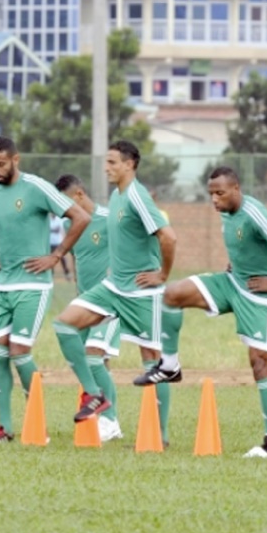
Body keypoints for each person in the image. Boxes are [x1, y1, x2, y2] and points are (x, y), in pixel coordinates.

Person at [51, 140, 182, 445]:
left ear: (129, 164)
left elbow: (169, 237)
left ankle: (159, 435)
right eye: (105, 162)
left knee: (154, 362)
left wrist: (162, 274)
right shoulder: (117, 195)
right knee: (64, 324)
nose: (106, 167)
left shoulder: (137, 196)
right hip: (112, 288)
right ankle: (96, 396)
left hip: (140, 292)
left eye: (112, 162)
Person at [162, 166, 267, 457]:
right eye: (211, 194)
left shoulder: (255, 212)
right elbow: (242, 244)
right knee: (172, 294)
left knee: (260, 365)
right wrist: (234, 264)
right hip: (231, 283)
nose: (214, 199)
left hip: (258, 296)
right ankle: (170, 365)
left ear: (236, 189)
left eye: (220, 193)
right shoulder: (226, 212)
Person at [0, 136, 91, 441]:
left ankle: (36, 422)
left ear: (16, 159)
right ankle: (5, 427)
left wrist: (56, 256)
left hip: (33, 285)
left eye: (1, 164)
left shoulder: (37, 187)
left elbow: (80, 217)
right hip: (2, 285)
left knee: (19, 351)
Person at [55, 174, 123, 441]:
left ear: (80, 195)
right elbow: (77, 259)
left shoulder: (109, 219)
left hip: (110, 302)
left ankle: (109, 419)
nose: (66, 210)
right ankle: (109, 420)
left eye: (68, 203)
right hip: (85, 303)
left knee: (93, 355)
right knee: (95, 362)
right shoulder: (67, 224)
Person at [48, 214, 72, 282]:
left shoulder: (59, 220)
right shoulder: (48, 220)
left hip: (58, 243)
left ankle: (67, 274)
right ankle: (51, 276)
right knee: (51, 259)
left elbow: (59, 229)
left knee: (62, 259)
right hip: (50, 243)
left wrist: (52, 230)